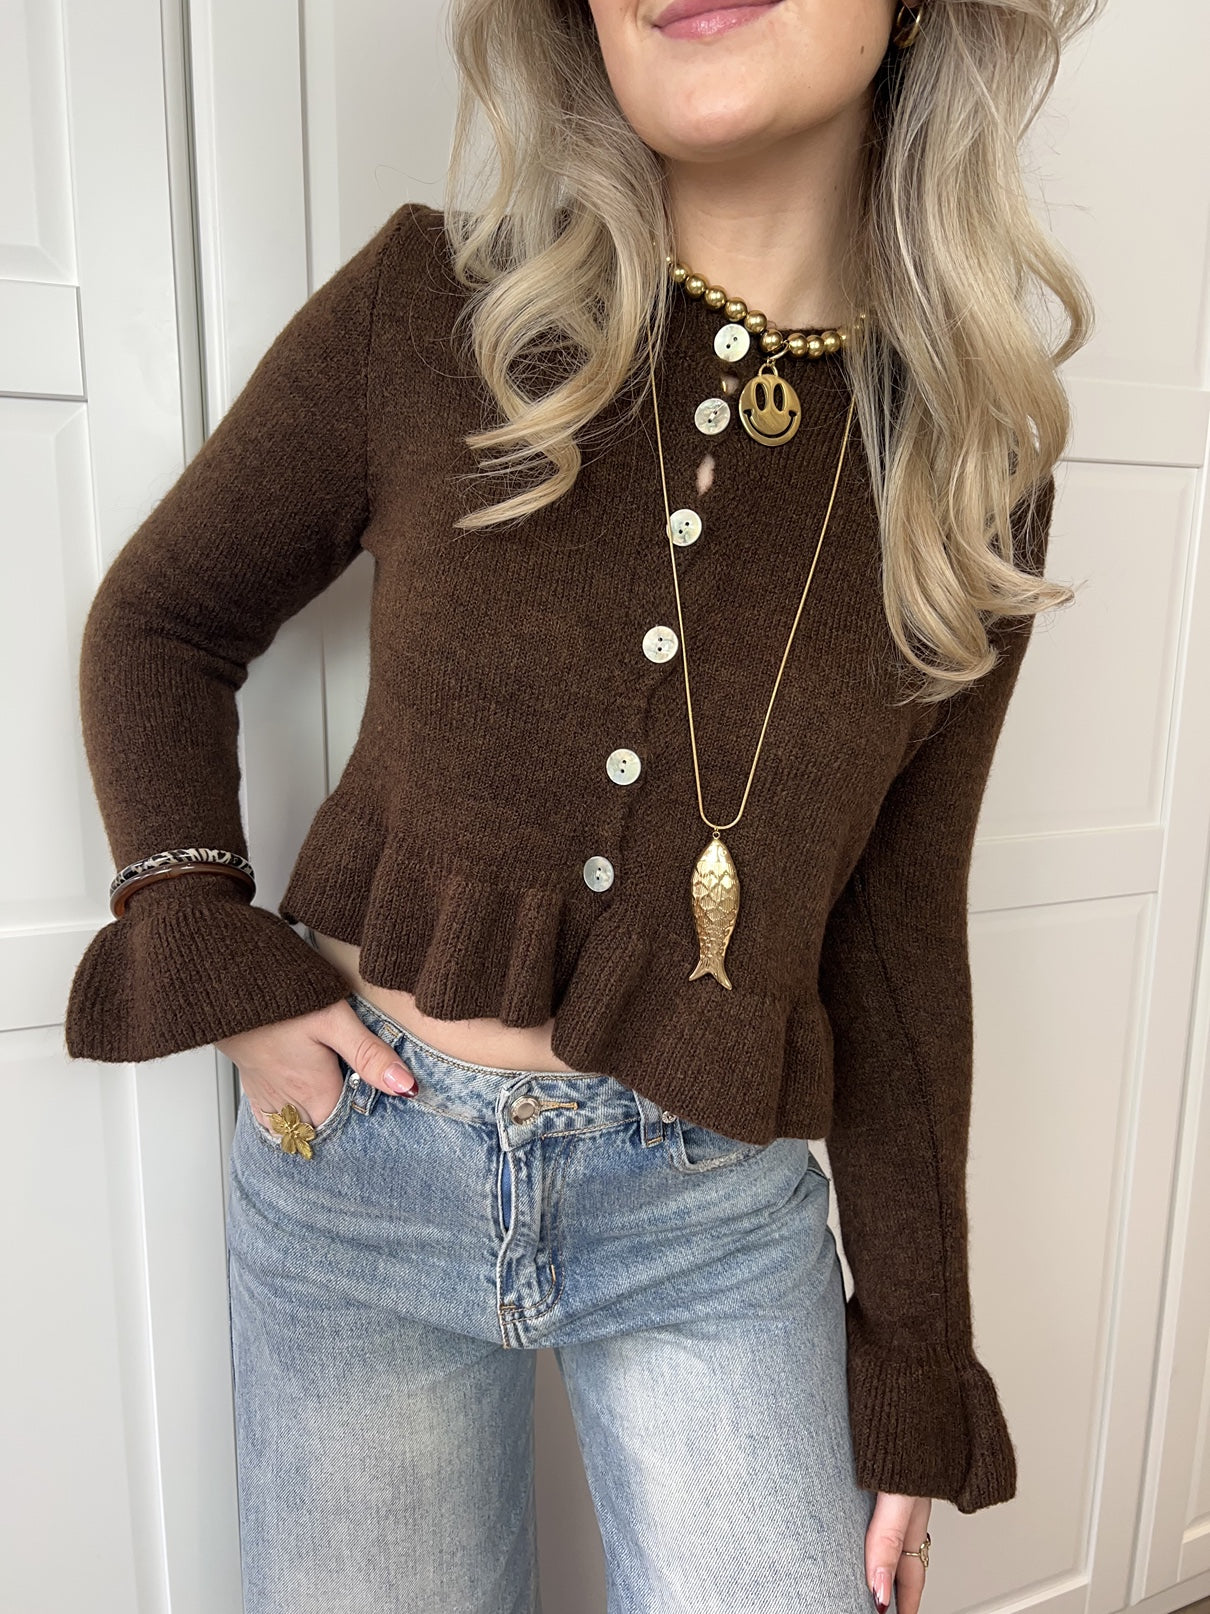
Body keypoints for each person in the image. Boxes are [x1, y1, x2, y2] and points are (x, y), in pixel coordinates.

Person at [64, 0, 1101, 1609]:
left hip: (711, 1216)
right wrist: (207, 940)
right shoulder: (434, 307)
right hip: (358, 1172)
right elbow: (161, 622)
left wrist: (912, 1361)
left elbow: (896, 941)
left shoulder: (966, 465)